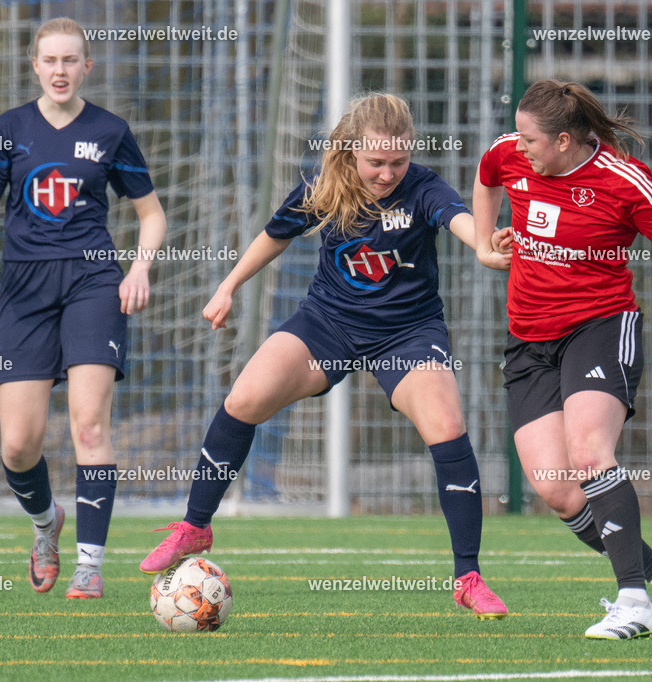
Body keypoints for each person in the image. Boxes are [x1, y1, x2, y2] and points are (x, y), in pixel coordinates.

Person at [140, 93, 511, 618]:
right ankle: (196, 526)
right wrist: (227, 287)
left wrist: (485, 245)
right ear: (350, 153)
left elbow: (460, 221)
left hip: (405, 333)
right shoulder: (325, 185)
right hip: (328, 323)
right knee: (245, 396)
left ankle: (468, 577)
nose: (387, 174)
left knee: (447, 425)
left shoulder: (424, 187)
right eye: (376, 162)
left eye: (397, 162)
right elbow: (275, 235)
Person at [472, 79, 652, 639]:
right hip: (528, 341)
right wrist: (485, 242)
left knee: (589, 454)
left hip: (601, 327)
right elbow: (486, 178)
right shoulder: (508, 152)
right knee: (557, 488)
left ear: (564, 141)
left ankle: (632, 600)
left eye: (532, 139)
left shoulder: (622, 181)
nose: (520, 145)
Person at [0, 17, 166, 599]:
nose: (59, 70)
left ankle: (89, 565)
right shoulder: (9, 128)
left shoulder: (110, 130)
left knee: (89, 425)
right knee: (18, 445)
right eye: (49, 60)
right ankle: (47, 526)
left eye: (70, 61)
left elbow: (151, 214)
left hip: (93, 284)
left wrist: (141, 267)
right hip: (24, 290)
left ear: (86, 67)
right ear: (34, 65)